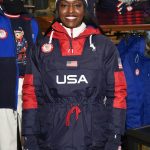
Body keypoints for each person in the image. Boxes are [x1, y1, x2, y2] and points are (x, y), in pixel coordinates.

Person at [22, 0, 127, 150]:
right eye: (64, 5)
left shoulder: (104, 47)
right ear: (58, 8)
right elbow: (30, 94)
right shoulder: (40, 49)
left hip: (95, 139)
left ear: (85, 8)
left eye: (77, 5)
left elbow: (118, 93)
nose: (70, 11)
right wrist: (29, 135)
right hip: (51, 140)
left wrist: (115, 136)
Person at [0, 0, 41, 149]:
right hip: (4, 89)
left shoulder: (31, 22)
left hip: (29, 89)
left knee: (31, 138)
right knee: (5, 142)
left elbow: (40, 56)